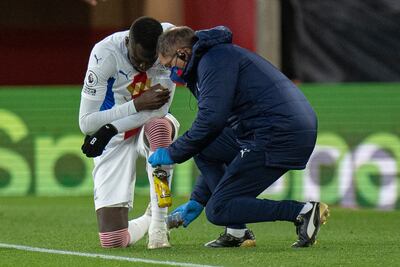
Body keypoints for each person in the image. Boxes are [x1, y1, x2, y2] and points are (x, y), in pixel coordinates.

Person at [149, 26, 330, 248]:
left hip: (278, 131)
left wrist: (172, 152)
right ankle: (236, 232)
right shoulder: (214, 58)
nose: (171, 72)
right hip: (272, 127)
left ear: (183, 53)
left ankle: (302, 212)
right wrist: (198, 199)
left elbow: (211, 120)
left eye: (170, 65)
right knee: (206, 149)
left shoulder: (212, 61)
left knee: (218, 210)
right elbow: (212, 131)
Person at [79, 16, 180, 250]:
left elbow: (161, 109)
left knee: (157, 127)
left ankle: (159, 226)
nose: (144, 67)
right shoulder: (104, 54)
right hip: (115, 135)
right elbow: (86, 123)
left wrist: (112, 125)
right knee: (112, 241)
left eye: (150, 61)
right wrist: (135, 105)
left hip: (150, 122)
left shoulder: (169, 43)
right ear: (128, 44)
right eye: (138, 60)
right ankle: (149, 216)